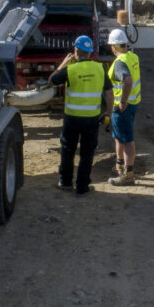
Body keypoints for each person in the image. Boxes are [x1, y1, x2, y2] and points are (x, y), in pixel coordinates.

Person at [48, 35, 108, 194]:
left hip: (72, 118)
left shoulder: (70, 70)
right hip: (92, 118)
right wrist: (109, 110)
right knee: (87, 153)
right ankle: (82, 186)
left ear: (76, 51)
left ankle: (66, 182)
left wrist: (63, 64)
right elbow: (109, 92)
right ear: (89, 53)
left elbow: (51, 80)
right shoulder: (100, 69)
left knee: (68, 150)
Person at [106, 28, 142, 185]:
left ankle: (128, 175)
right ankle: (119, 165)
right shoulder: (133, 57)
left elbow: (127, 81)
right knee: (119, 136)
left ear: (113, 47)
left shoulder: (119, 63)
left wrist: (122, 101)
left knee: (126, 139)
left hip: (123, 108)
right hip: (133, 104)